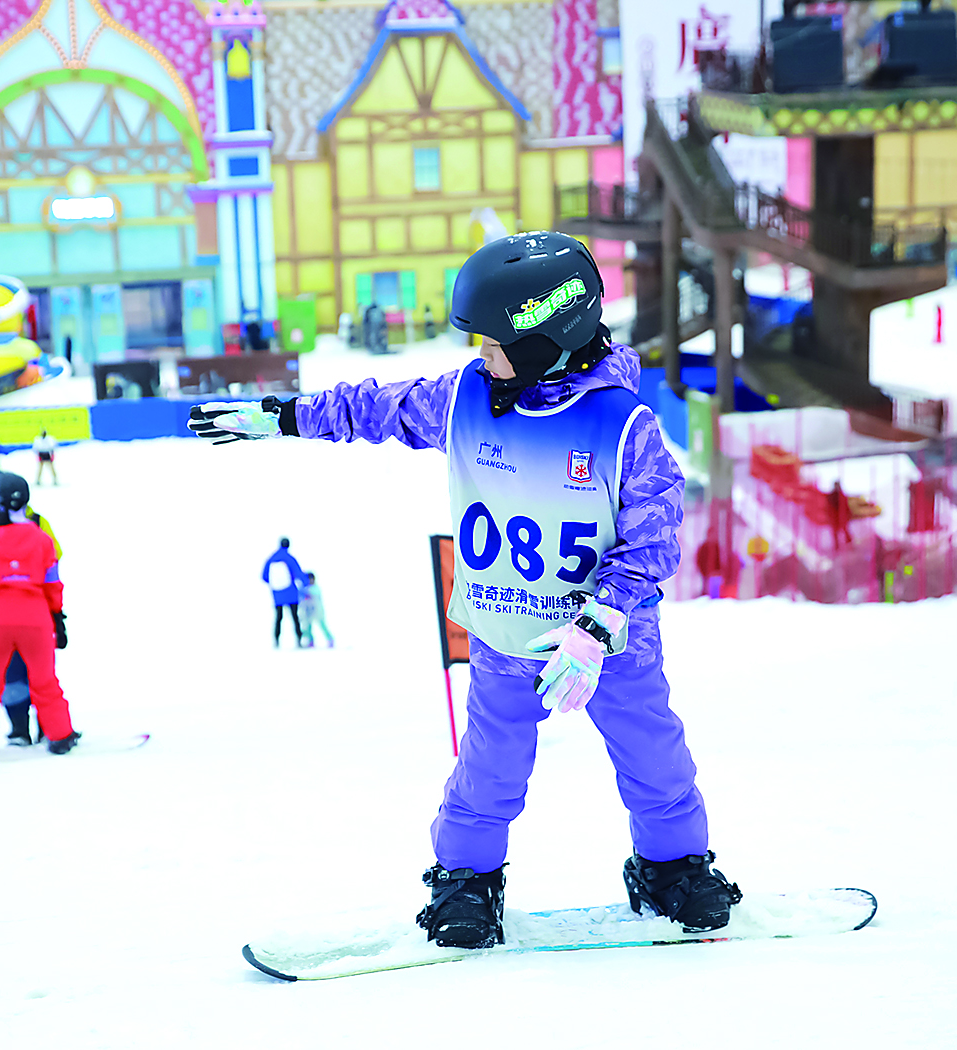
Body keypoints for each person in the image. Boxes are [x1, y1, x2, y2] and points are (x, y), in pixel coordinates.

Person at [190, 230, 739, 950]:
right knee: (490, 768)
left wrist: (597, 624)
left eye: (494, 343)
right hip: (506, 634)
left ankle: (673, 867)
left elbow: (653, 538)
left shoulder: (623, 427)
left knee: (652, 754)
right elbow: (376, 408)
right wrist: (286, 415)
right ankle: (466, 880)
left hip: (608, 644)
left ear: (545, 341)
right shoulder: (465, 400)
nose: (481, 356)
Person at [0, 473, 77, 760]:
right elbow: (52, 580)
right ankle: (60, 735)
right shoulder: (42, 538)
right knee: (45, 679)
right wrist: (58, 616)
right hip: (35, 615)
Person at [262, 538, 307, 648]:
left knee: (278, 617)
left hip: (277, 594)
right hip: (291, 592)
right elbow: (298, 573)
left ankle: (276, 640)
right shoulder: (289, 558)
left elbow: (264, 576)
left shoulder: (271, 559)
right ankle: (299, 639)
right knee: (295, 617)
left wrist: (274, 585)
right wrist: (306, 583)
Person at [299, 571, 334, 649]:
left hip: (317, 610)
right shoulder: (303, 589)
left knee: (322, 625)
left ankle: (330, 639)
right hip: (308, 611)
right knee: (308, 627)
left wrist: (305, 593)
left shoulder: (315, 588)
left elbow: (311, 594)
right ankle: (310, 641)